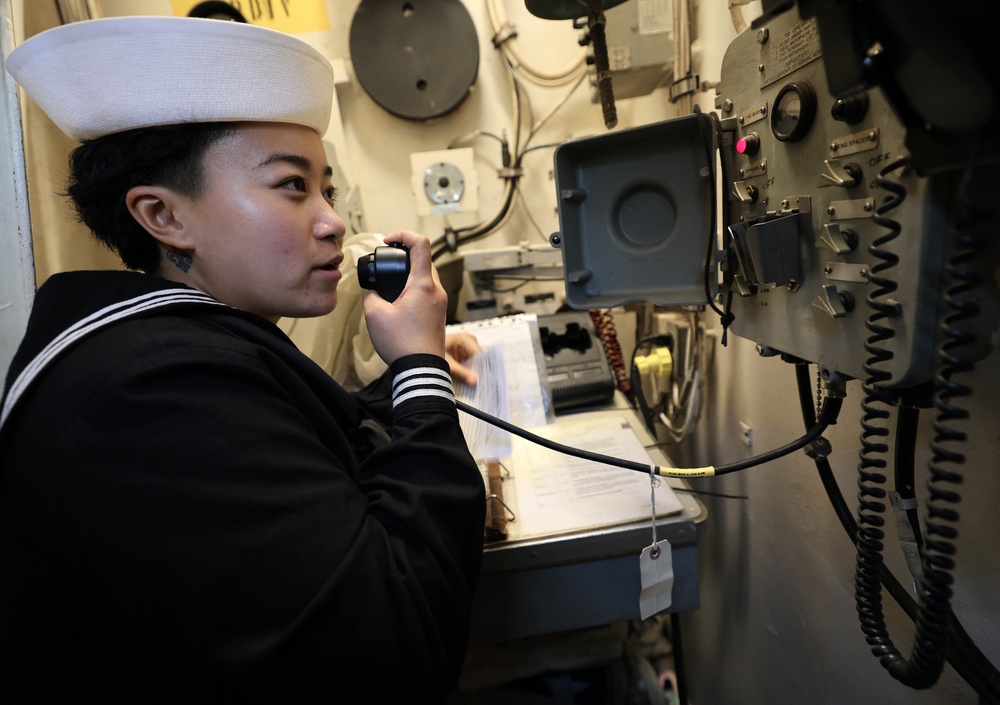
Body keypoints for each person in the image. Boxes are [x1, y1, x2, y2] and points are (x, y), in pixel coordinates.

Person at [0, 15, 485, 703]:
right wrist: (421, 372)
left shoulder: (188, 347)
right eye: (292, 186)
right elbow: (396, 653)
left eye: (326, 189)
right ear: (164, 217)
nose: (333, 221)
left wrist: (401, 377)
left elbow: (299, 443)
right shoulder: (152, 393)